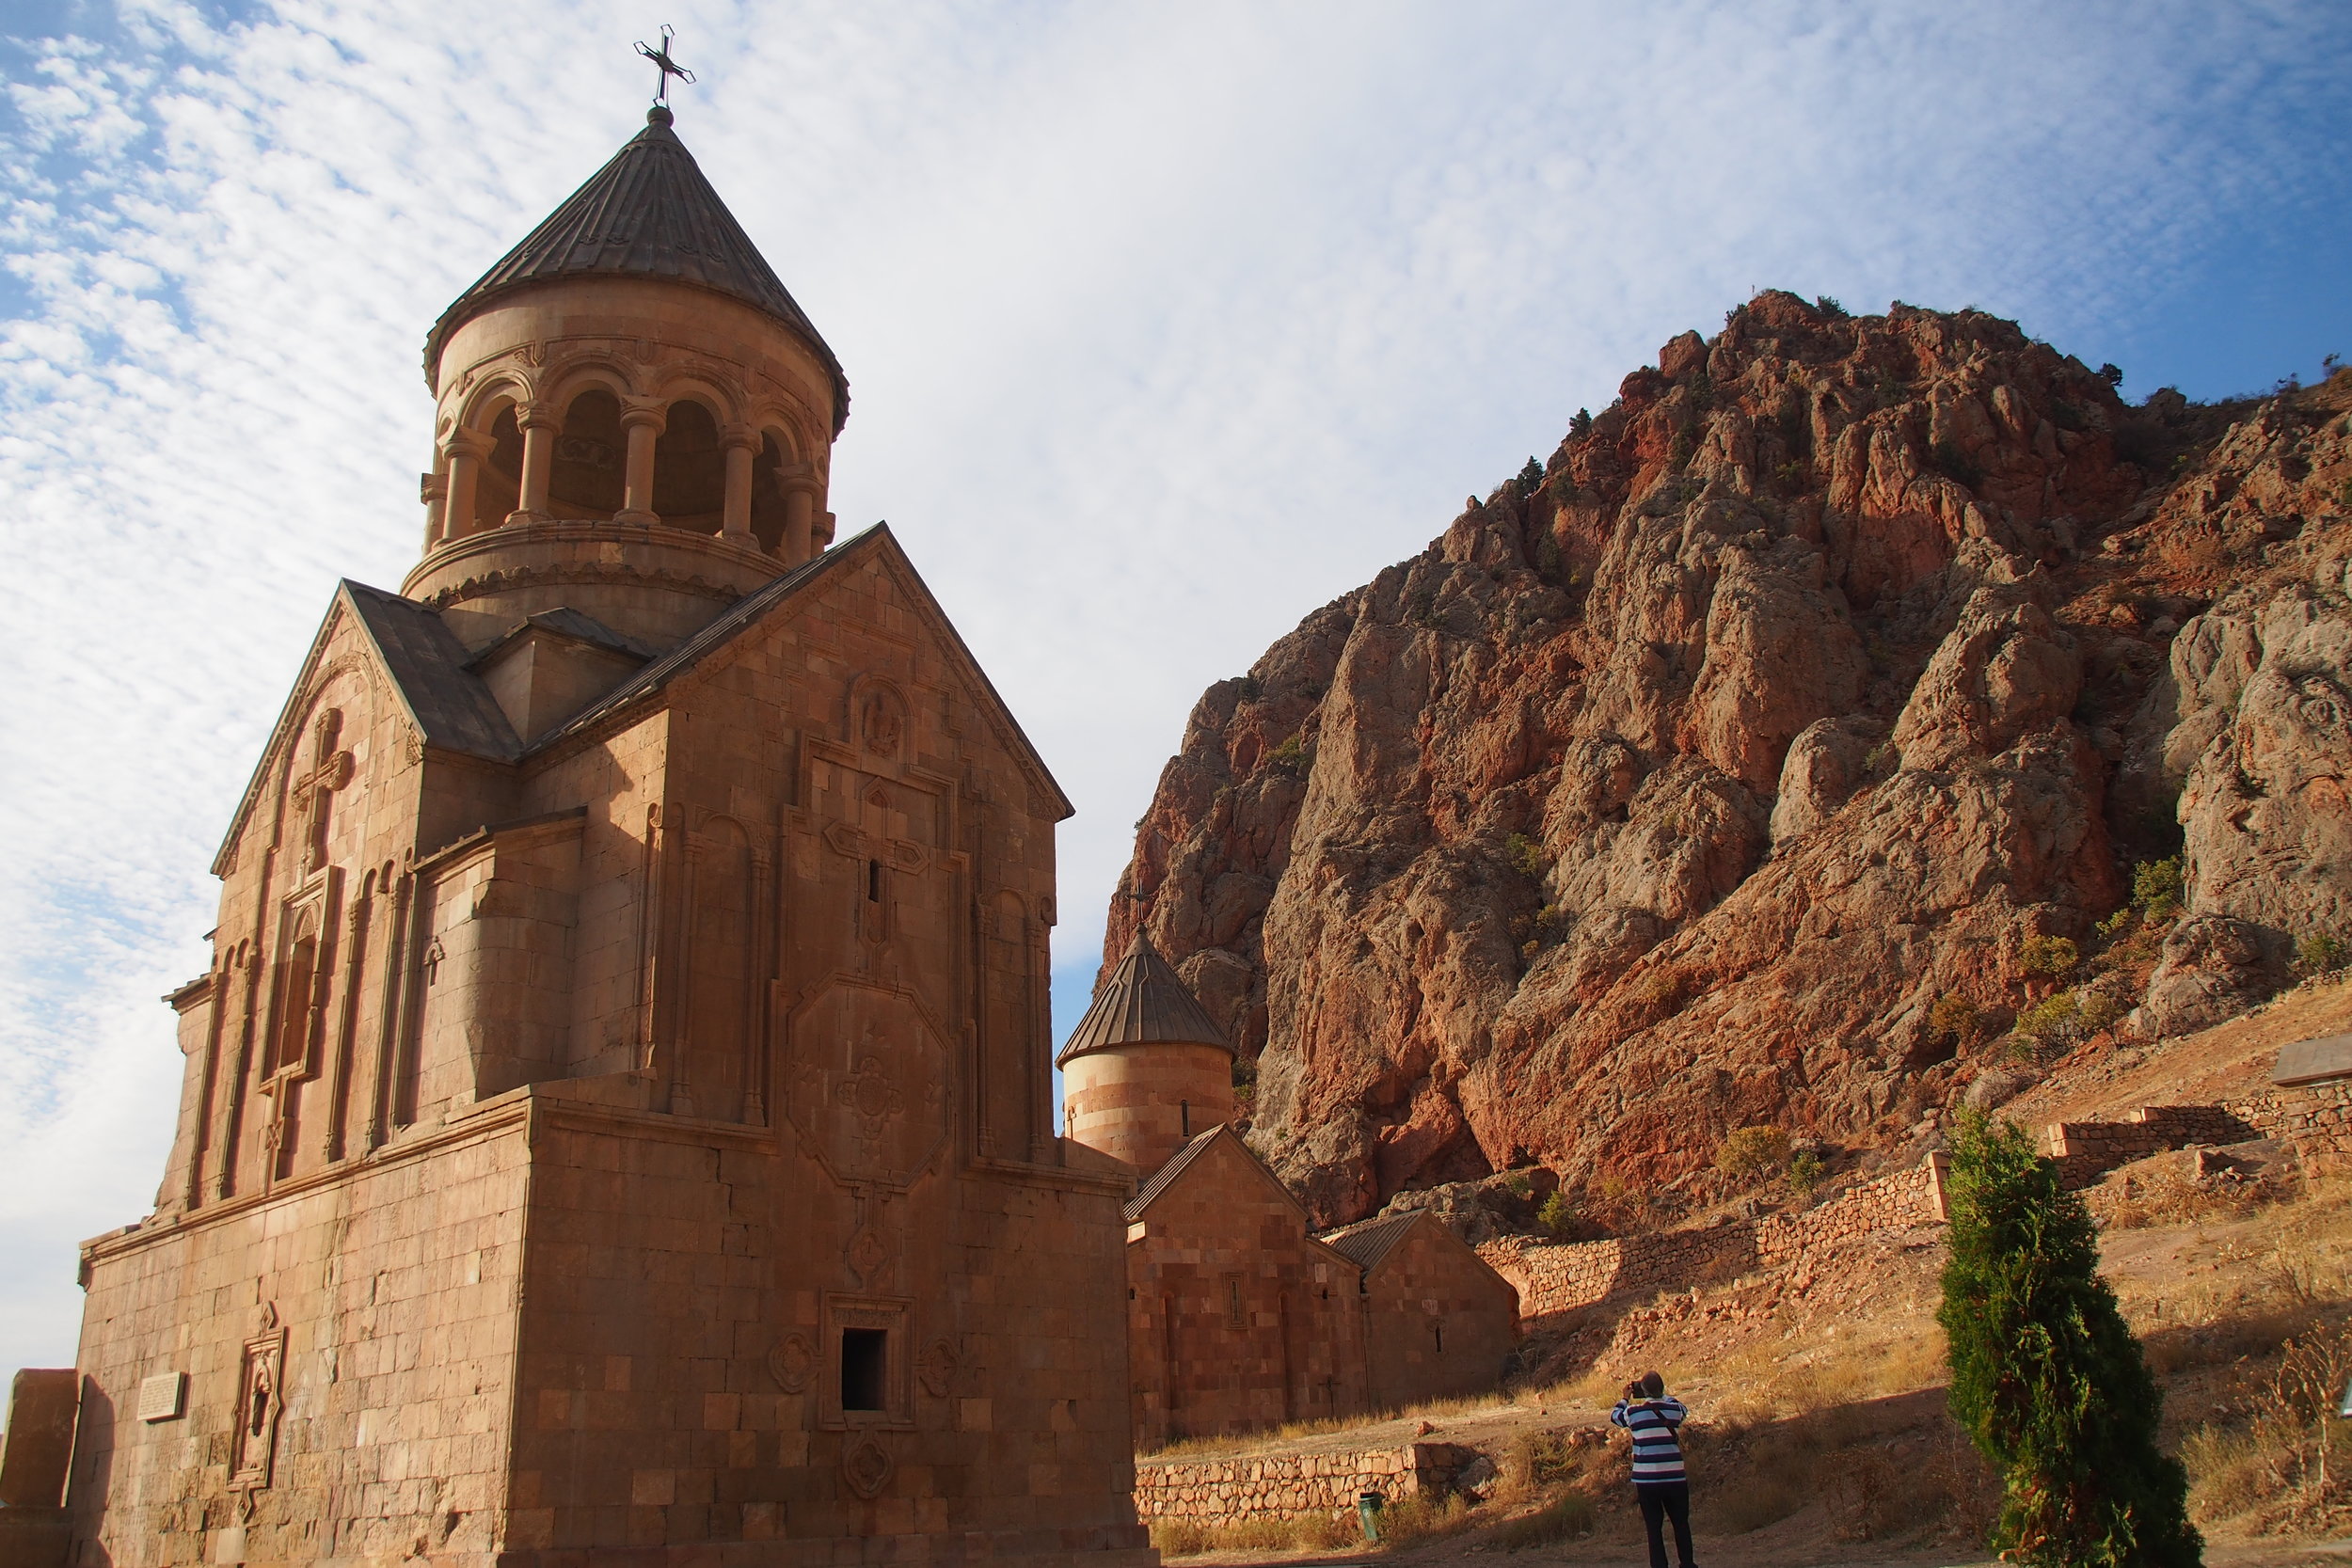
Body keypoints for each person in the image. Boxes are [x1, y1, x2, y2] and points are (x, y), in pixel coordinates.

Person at [1610, 1370, 1695, 1568]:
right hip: (1674, 1478)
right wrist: (1661, 1395)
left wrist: (1625, 1398)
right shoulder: (1674, 1411)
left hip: (1647, 1480)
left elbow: (1615, 1417)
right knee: (1681, 1524)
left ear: (1643, 1391)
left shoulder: (1633, 1413)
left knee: (1654, 1528)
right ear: (1662, 1389)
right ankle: (1688, 1564)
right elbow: (1682, 1408)